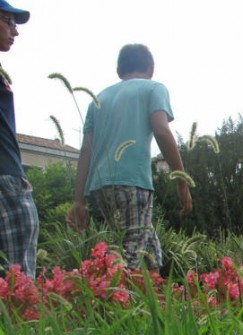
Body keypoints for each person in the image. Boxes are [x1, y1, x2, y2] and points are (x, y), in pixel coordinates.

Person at [67, 43, 192, 270]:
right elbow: (162, 130)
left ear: (119, 72)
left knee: (150, 251)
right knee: (131, 253)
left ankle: (155, 299)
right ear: (151, 69)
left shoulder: (98, 99)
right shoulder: (154, 88)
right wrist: (182, 181)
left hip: (101, 186)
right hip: (132, 183)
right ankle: (118, 300)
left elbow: (86, 150)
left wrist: (79, 200)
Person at [0, 0, 37, 278]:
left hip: (11, 177)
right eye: (8, 21)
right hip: (6, 181)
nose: (16, 31)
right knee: (17, 286)